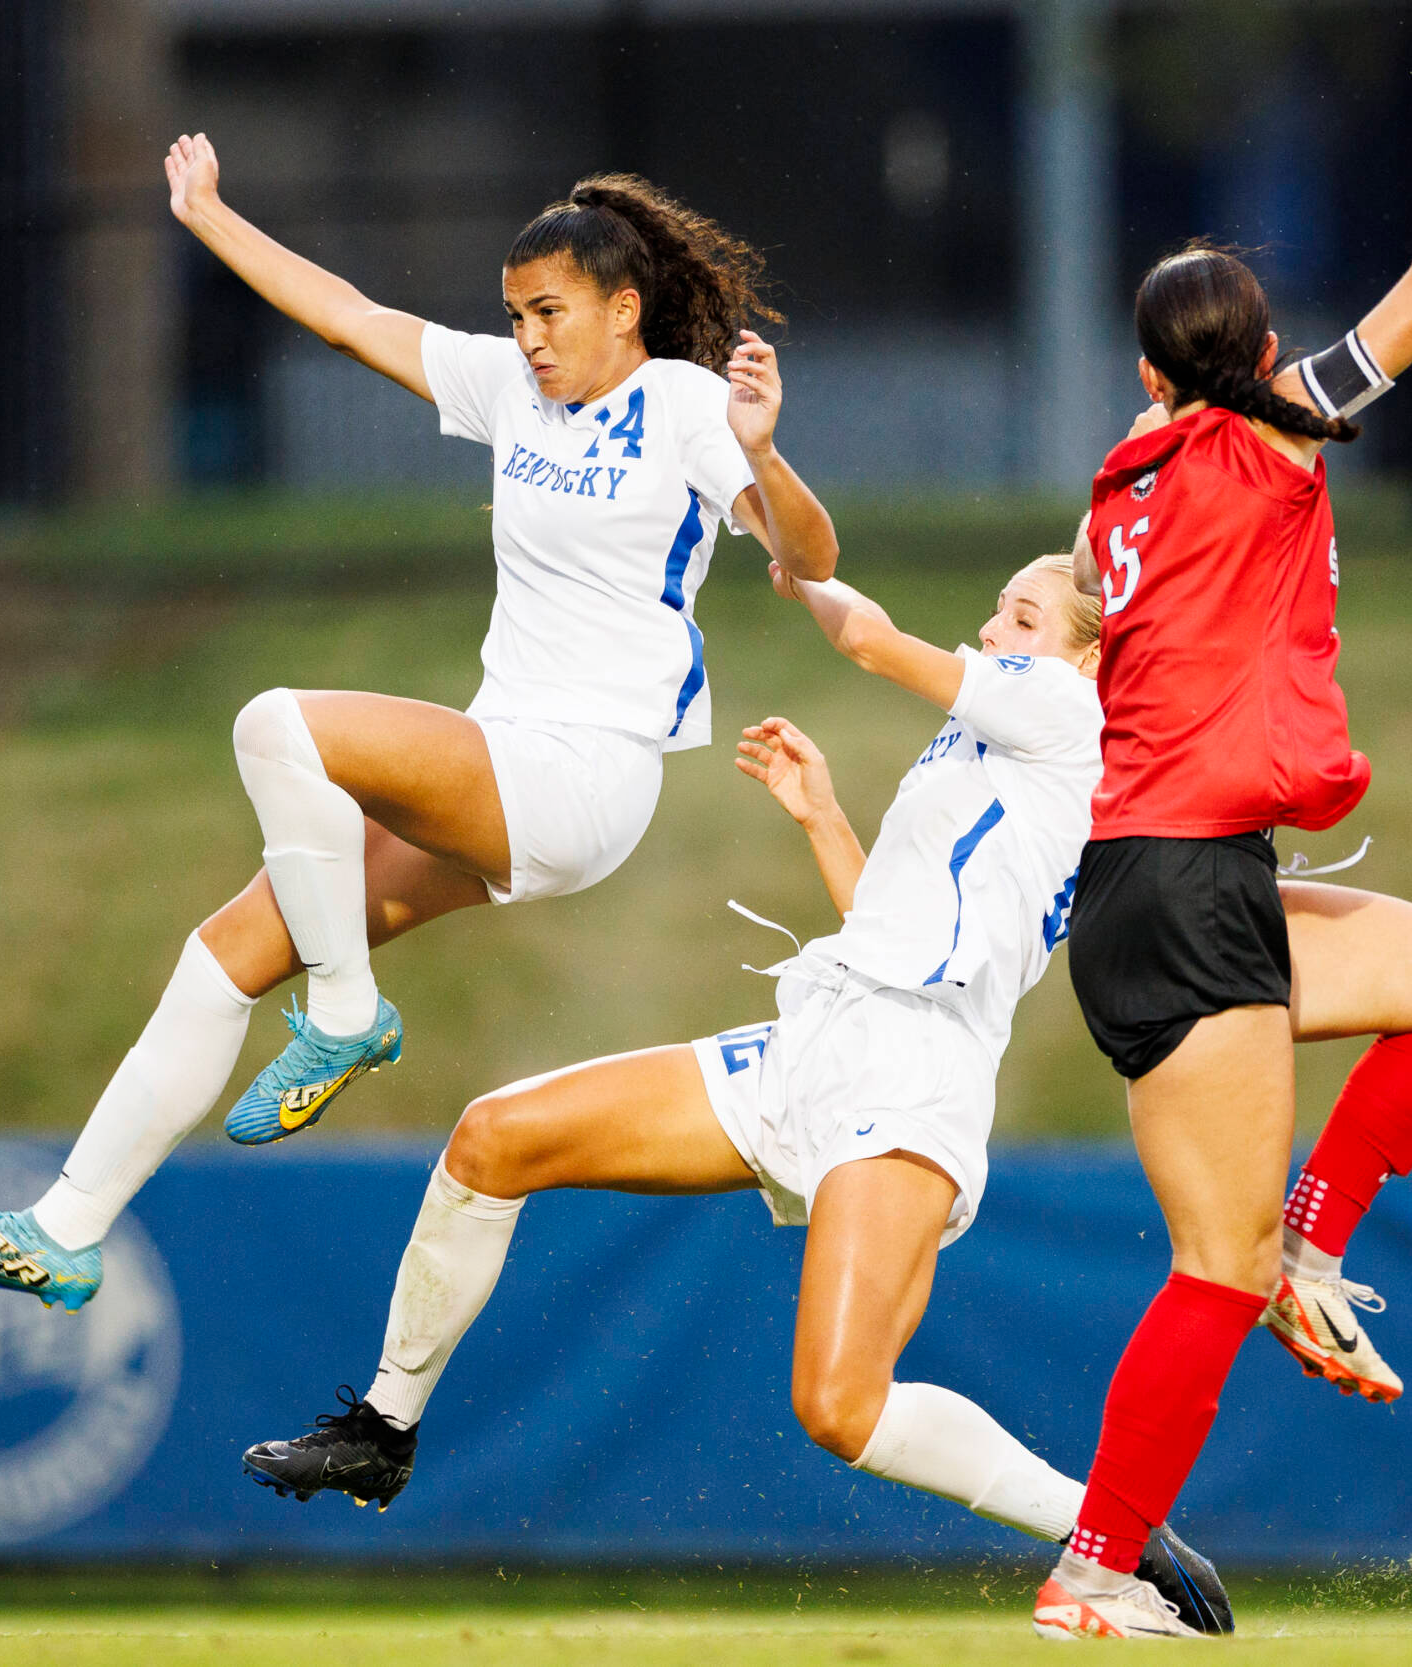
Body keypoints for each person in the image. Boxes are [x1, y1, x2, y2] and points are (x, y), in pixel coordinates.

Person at [0, 141, 838, 1312]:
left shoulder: (687, 406)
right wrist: (209, 218)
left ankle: (346, 1013)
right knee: (227, 949)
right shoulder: (513, 390)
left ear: (623, 307)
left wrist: (763, 450)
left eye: (551, 311)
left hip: (585, 774)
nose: (530, 336)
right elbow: (345, 316)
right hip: (506, 762)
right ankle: (63, 1228)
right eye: (515, 314)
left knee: (278, 724)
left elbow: (809, 556)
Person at [235, 555, 1231, 1637]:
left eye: (1022, 614)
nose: (993, 625)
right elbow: (892, 926)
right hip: (825, 1032)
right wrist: (822, 817)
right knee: (494, 1136)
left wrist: (801, 563)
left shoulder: (1059, 704)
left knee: (838, 1405)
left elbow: (866, 638)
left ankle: (1108, 1536)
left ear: (1090, 655)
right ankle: (383, 1427)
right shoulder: (1010, 734)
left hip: (909, 1073)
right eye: (995, 603)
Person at [1032, 38, 1412, 1641]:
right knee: (1208, 1272)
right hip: (1185, 882)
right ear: (1256, 354)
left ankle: (1316, 1234)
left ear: (1145, 372)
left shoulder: (1122, 482)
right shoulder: (1268, 434)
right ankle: (1094, 1567)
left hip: (1171, 877)